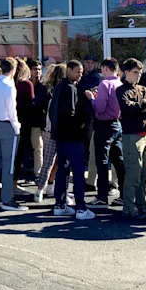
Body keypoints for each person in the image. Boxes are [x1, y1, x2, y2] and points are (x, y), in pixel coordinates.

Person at [50, 60, 94, 220]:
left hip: (60, 137)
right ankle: (81, 208)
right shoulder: (70, 89)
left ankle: (60, 205)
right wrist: (84, 117)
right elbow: (71, 114)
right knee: (78, 172)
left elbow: (52, 112)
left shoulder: (58, 88)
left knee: (62, 171)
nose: (80, 75)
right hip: (72, 137)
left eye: (81, 72)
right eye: (77, 72)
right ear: (68, 70)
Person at [116, 58, 146, 219]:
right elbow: (127, 108)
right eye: (135, 72)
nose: (138, 75)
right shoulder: (121, 90)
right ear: (126, 73)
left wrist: (142, 106)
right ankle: (129, 207)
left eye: (140, 72)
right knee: (133, 173)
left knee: (145, 172)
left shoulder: (143, 89)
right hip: (131, 136)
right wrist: (143, 105)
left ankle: (142, 205)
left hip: (145, 134)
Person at [0, 57, 26, 211]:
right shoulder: (9, 86)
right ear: (14, 70)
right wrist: (16, 127)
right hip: (7, 125)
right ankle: (7, 199)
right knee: (8, 164)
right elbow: (12, 110)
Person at [88, 57, 125, 209]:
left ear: (106, 69)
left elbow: (100, 107)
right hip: (117, 124)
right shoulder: (120, 83)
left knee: (102, 160)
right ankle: (124, 195)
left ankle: (102, 196)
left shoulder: (105, 84)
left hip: (104, 124)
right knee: (118, 160)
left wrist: (92, 98)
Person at [33, 63, 64, 203]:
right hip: (51, 128)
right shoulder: (53, 90)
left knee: (52, 161)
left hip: (49, 128)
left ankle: (48, 186)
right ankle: (41, 188)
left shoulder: (49, 89)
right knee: (52, 161)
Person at [80, 54, 102, 191]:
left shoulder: (96, 78)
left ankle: (89, 165)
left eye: (92, 62)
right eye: (87, 62)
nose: (89, 65)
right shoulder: (81, 76)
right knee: (83, 140)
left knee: (89, 141)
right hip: (81, 112)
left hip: (91, 113)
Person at [27, 58, 49, 183]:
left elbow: (39, 103)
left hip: (39, 122)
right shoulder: (27, 84)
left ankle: (38, 172)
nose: (38, 72)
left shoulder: (43, 86)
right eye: (35, 69)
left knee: (38, 147)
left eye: (40, 69)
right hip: (26, 121)